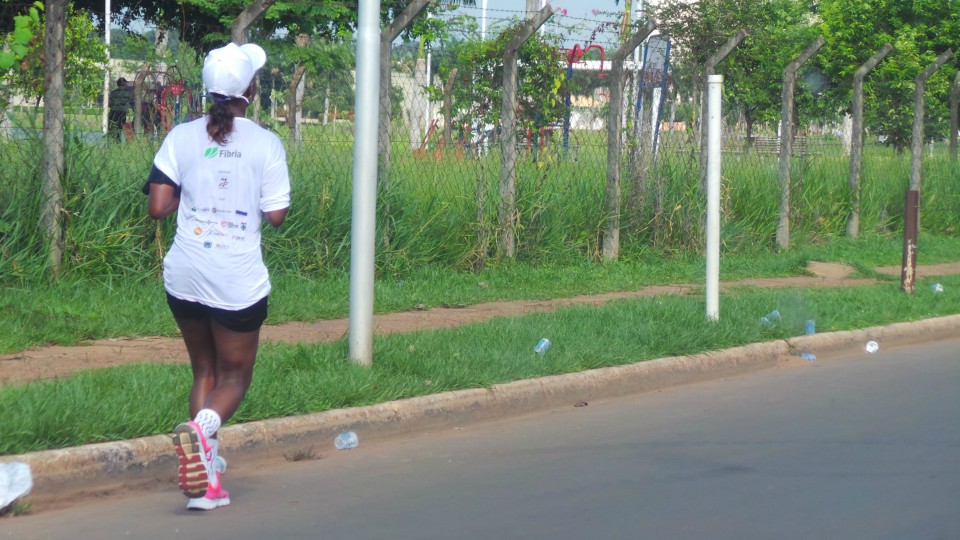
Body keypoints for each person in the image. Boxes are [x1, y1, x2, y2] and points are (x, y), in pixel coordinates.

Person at [143, 42, 290, 511]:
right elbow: (276, 215)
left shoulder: (181, 137)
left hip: (184, 275)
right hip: (235, 280)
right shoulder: (265, 143)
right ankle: (200, 432)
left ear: (209, 90)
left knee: (204, 370)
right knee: (234, 378)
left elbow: (158, 207)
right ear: (251, 88)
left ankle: (206, 482)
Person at [108, 77, 133, 141]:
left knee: (114, 128)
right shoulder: (128, 93)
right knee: (120, 128)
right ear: (124, 84)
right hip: (122, 112)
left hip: (113, 112)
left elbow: (109, 105)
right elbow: (131, 102)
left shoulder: (113, 92)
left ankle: (116, 141)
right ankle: (119, 142)